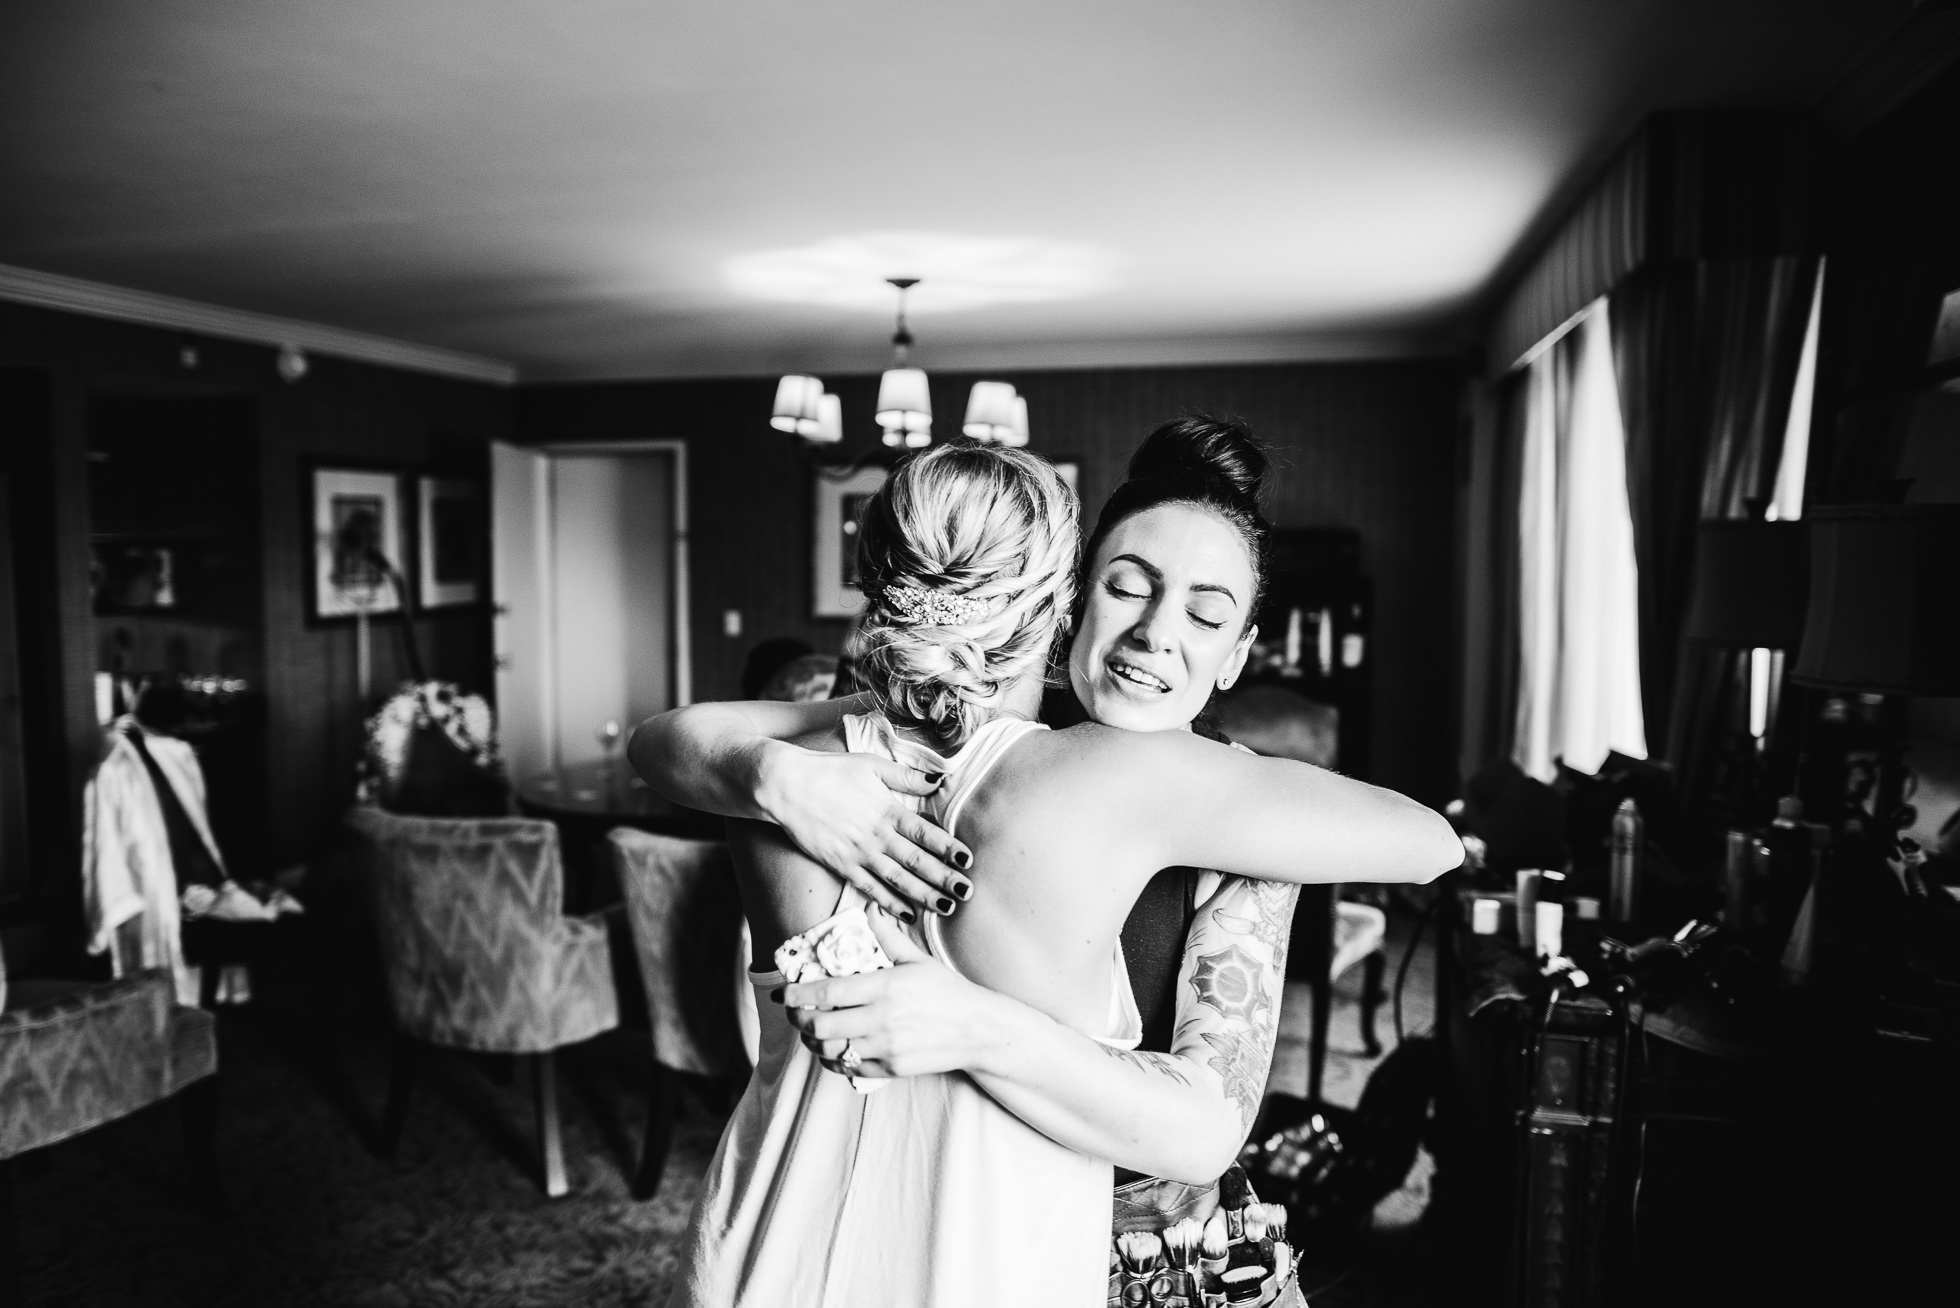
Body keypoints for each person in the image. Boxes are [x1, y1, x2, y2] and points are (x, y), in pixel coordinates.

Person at [635, 437, 1461, 1305]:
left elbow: (666, 738)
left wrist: (760, 769)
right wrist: (764, 772)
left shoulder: (794, 756)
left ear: (1239, 651)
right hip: (989, 1259)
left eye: (1206, 617)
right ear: (1068, 602)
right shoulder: (1135, 781)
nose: (1155, 633)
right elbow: (1430, 840)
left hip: (767, 1253)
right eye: (1129, 586)